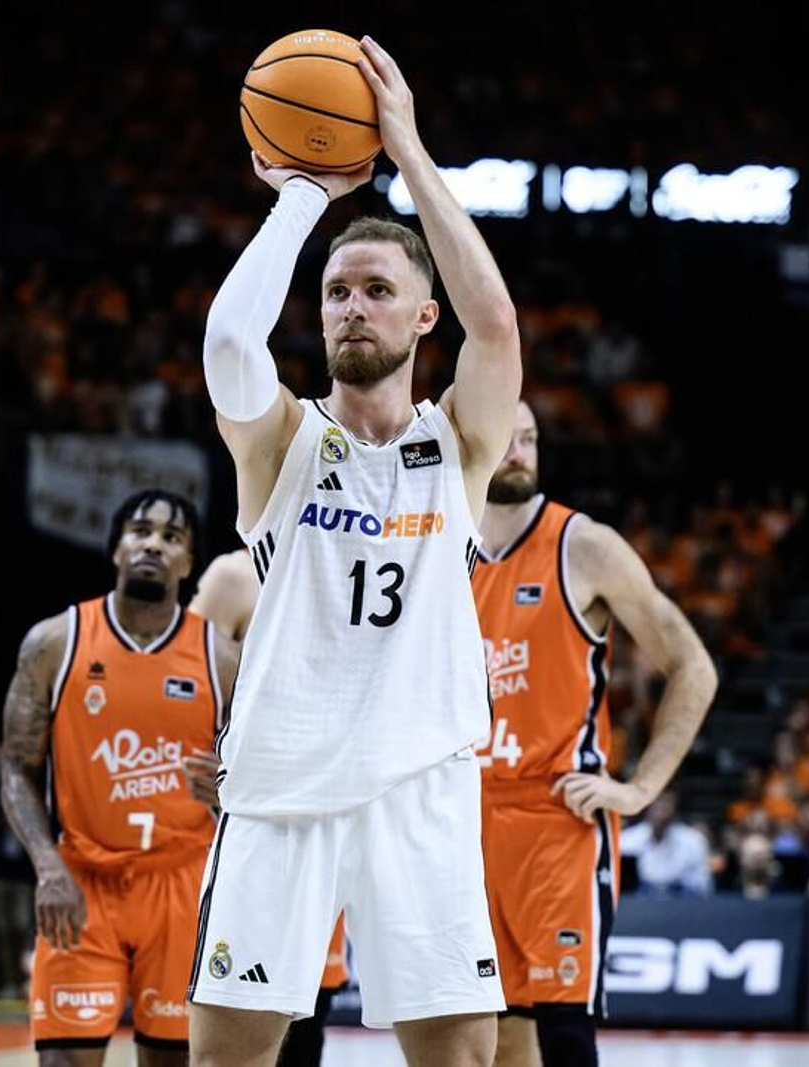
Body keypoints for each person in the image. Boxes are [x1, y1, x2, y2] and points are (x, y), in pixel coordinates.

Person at [189, 36, 520, 1067]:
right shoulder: (283, 442)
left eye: (376, 289)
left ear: (423, 315)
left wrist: (408, 151)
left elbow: (498, 324)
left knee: (459, 1056)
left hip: (418, 781)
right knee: (227, 1058)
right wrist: (299, 197)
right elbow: (229, 348)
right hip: (281, 784)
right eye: (335, 291)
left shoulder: (456, 444)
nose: (349, 307)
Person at [471, 400, 717, 1067]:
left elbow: (694, 665)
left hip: (558, 816)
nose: (520, 451)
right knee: (493, 1032)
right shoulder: (438, 547)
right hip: (461, 818)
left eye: (530, 438)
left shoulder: (585, 546)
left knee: (564, 1028)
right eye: (505, 437)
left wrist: (639, 788)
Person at [0, 489, 238, 1065]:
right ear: (116, 550)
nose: (153, 542)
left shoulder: (224, 658)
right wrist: (47, 864)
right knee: (63, 1059)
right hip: (83, 880)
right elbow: (15, 764)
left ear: (188, 564)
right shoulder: (55, 642)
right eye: (140, 530)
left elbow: (261, 777)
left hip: (183, 884)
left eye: (172, 537)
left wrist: (230, 790)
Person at [186, 549, 347, 1067]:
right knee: (239, 1015)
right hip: (262, 818)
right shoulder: (235, 575)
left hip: (342, 809)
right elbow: (184, 682)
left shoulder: (374, 554)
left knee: (312, 1010)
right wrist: (222, 767)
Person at [618, 793, 713, 898]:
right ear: (647, 807)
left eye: (666, 803)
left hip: (682, 906)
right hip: (638, 907)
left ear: (675, 807)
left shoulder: (694, 841)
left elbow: (703, 887)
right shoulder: (626, 841)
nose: (661, 809)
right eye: (657, 803)